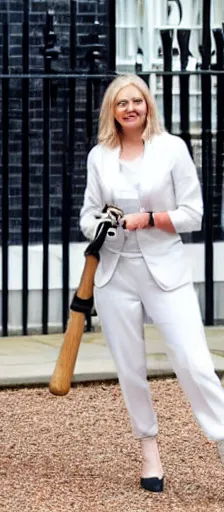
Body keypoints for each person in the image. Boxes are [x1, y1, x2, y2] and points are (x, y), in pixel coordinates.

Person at [79, 74, 224, 492]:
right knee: (131, 369)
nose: (130, 108)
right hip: (114, 272)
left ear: (148, 105)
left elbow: (193, 214)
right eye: (121, 102)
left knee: (193, 361)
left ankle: (220, 440)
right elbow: (87, 215)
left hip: (165, 268)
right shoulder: (99, 156)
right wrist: (103, 223)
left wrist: (152, 219)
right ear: (112, 110)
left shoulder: (172, 148)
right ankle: (149, 453)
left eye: (136, 101)